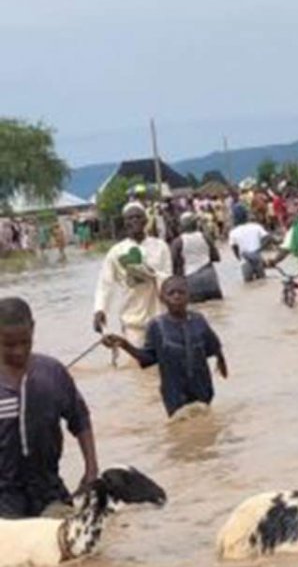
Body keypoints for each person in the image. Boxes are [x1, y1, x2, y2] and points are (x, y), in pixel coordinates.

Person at [0, 297, 99, 519]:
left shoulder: (52, 373)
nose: (18, 351)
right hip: (4, 495)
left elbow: (80, 419)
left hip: (48, 489)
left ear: (33, 329)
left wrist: (91, 469)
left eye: (25, 342)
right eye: (8, 345)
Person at [103, 277, 228, 418]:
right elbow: (148, 358)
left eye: (181, 292)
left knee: (205, 428)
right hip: (175, 396)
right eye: (171, 293)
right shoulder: (157, 326)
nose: (177, 296)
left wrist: (221, 361)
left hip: (202, 391)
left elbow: (213, 345)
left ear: (189, 296)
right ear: (162, 298)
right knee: (180, 430)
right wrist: (125, 344)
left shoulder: (199, 320)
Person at [94, 202, 173, 348]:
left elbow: (169, 279)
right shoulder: (116, 252)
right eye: (130, 218)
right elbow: (105, 285)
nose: (134, 220)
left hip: (161, 317)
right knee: (137, 365)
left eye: (138, 217)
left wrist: (152, 274)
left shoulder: (161, 247)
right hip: (133, 320)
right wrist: (100, 310)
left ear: (145, 220)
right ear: (125, 223)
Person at [171, 213, 223, 303]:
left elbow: (173, 264)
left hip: (191, 280)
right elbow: (216, 257)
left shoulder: (177, 242)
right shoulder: (205, 237)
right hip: (210, 277)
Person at [228, 207, 272, 283]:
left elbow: (234, 248)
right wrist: (259, 249)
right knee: (262, 280)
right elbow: (268, 238)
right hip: (257, 258)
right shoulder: (256, 227)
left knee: (248, 284)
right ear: (246, 216)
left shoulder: (233, 232)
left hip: (245, 261)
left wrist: (239, 258)